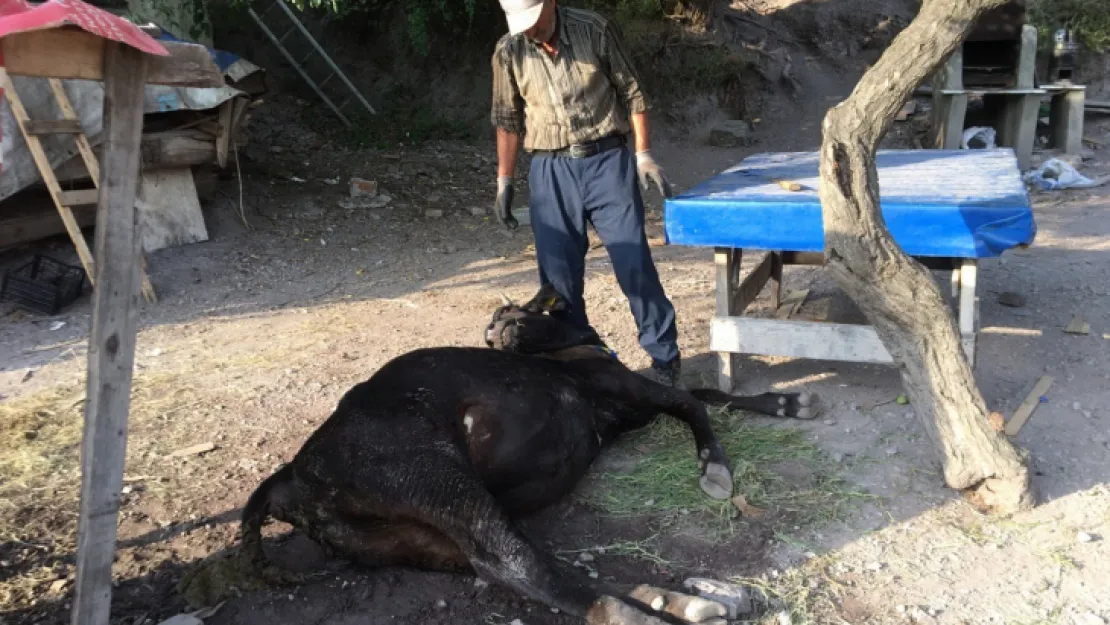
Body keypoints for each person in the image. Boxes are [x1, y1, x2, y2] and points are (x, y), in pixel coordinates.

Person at [490, 0, 683, 387]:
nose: (529, 30)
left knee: (633, 263)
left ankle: (665, 358)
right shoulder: (508, 51)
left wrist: (643, 155)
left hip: (606, 160)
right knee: (558, 282)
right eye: (520, 24)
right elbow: (507, 119)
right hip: (550, 169)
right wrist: (504, 181)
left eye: (533, 20)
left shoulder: (593, 29)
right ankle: (581, 362)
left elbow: (634, 93)